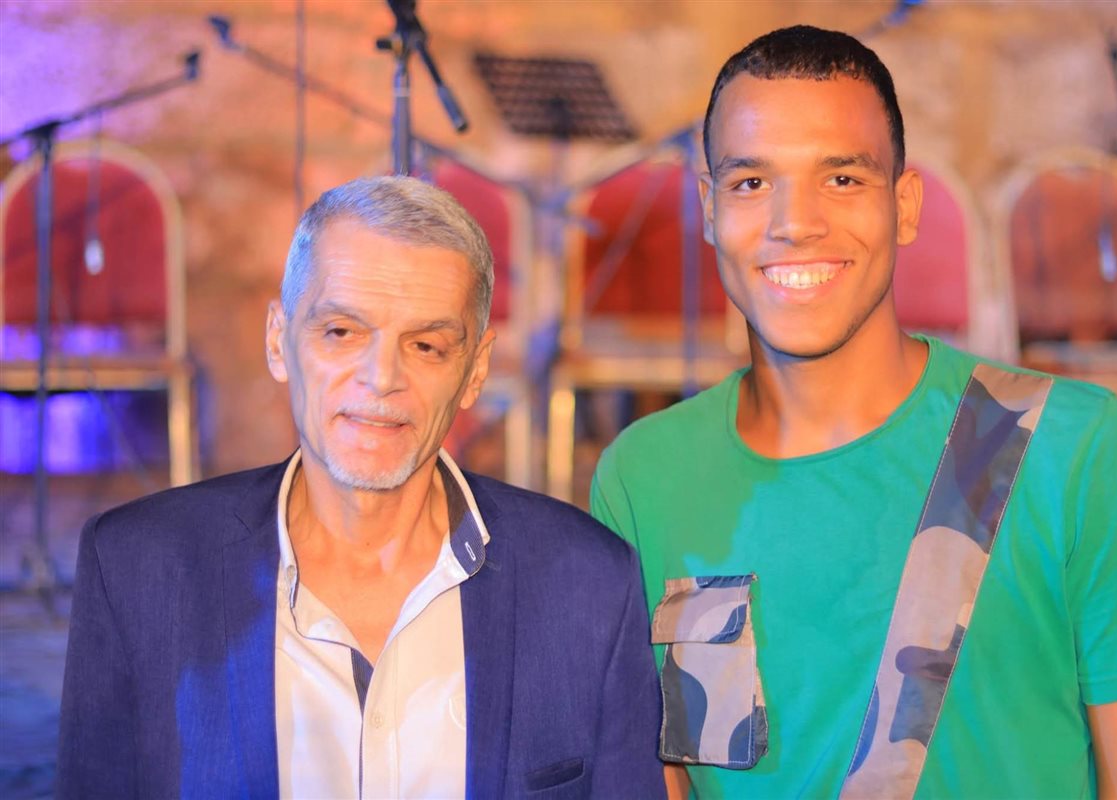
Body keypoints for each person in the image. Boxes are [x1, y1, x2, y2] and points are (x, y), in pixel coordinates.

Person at [591, 24, 1117, 799]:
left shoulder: (1071, 448)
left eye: (842, 178)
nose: (794, 222)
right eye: (751, 183)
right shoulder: (644, 477)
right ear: (709, 210)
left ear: (904, 207)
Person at [58, 176, 665, 799]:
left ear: (475, 370)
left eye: (426, 345)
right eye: (342, 332)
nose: (381, 378)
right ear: (278, 341)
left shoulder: (588, 581)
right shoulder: (137, 568)